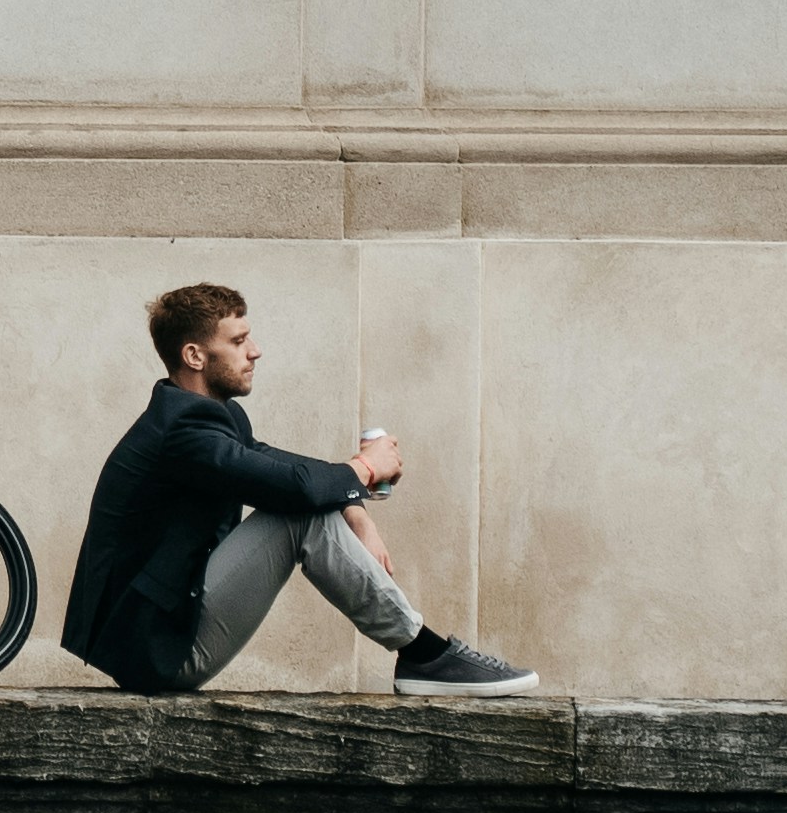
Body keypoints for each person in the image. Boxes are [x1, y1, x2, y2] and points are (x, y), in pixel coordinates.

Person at [63, 281, 537, 696]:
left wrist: (355, 507)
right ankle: (425, 655)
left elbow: (277, 464)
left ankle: (424, 655)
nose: (255, 351)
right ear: (195, 356)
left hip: (163, 634)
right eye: (238, 341)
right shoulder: (183, 431)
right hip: (157, 649)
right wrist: (364, 468)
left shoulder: (207, 417)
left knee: (304, 502)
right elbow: (294, 489)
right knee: (299, 515)